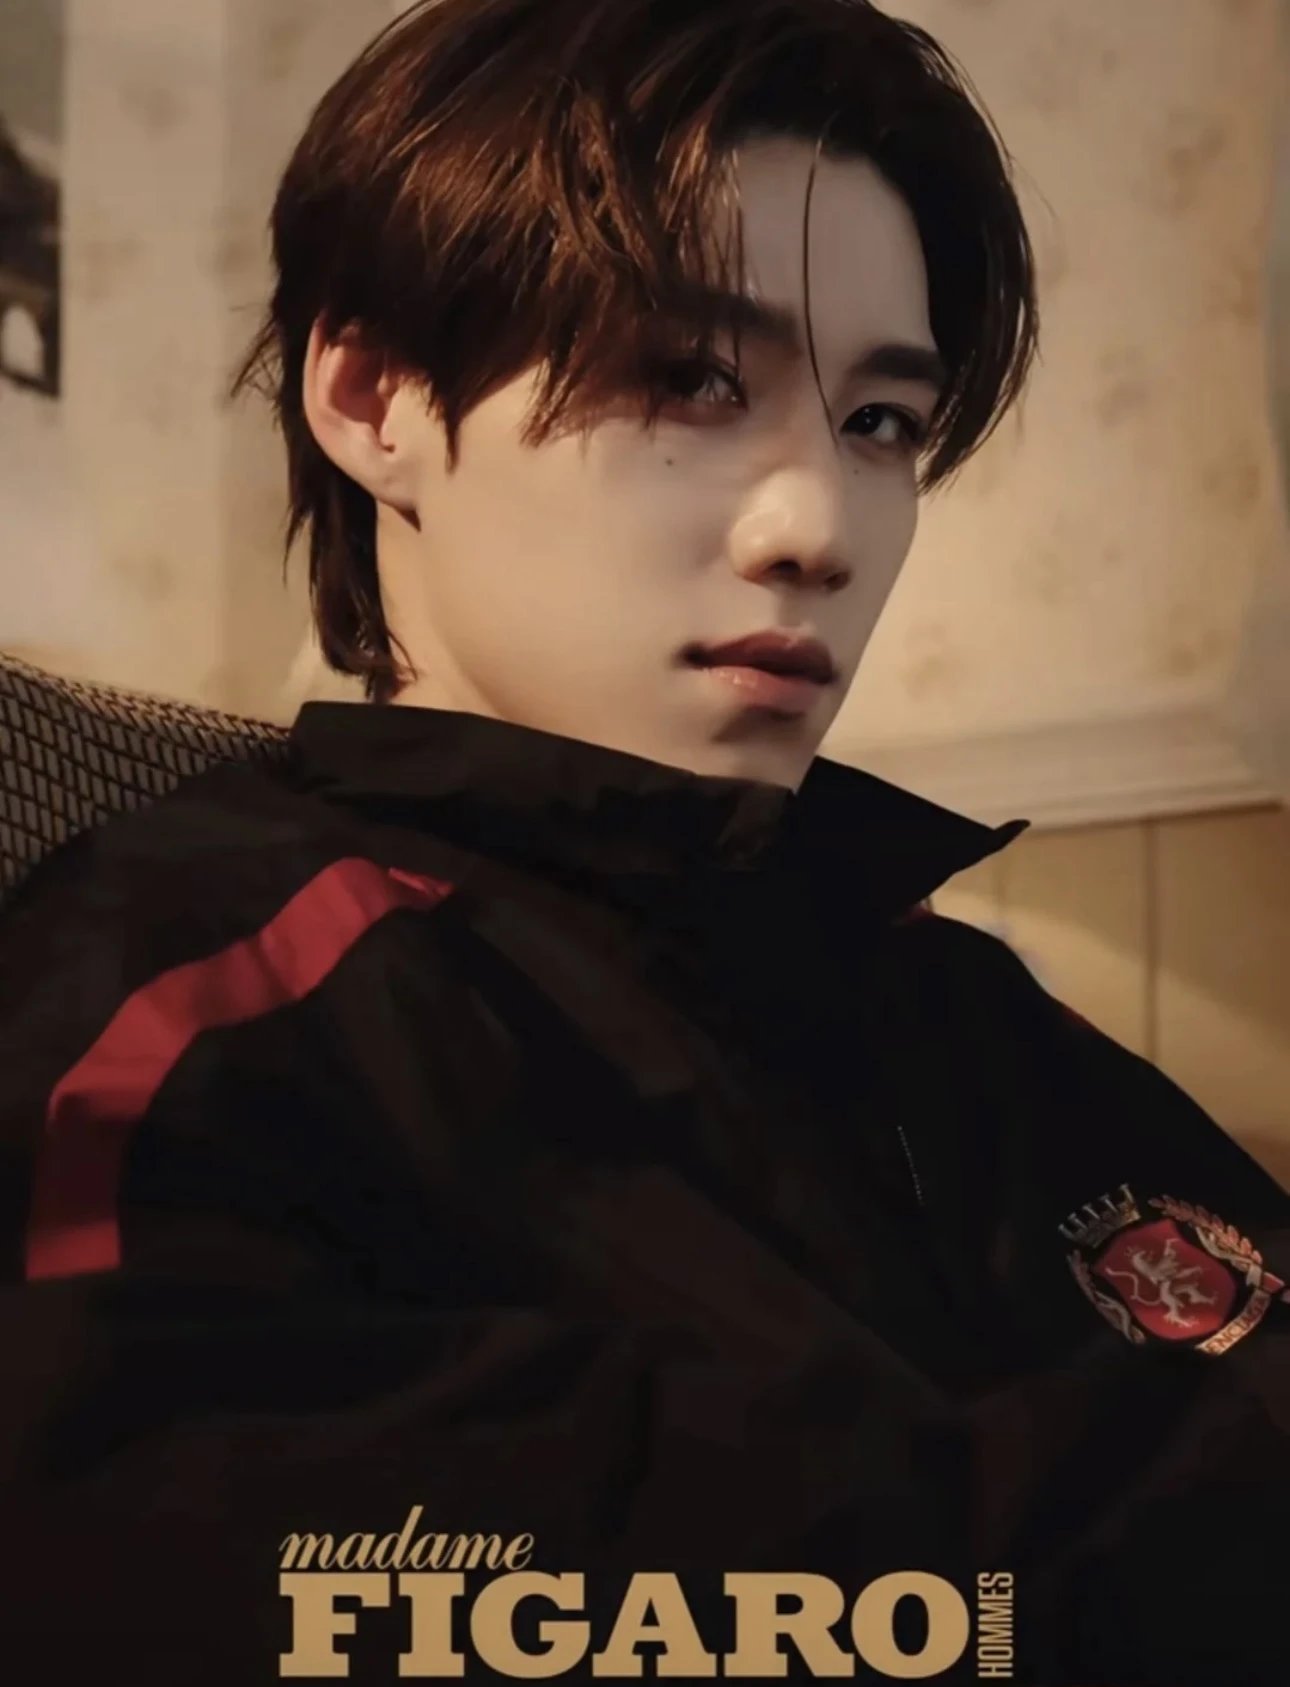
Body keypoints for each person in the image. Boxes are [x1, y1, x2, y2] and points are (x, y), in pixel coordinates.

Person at [1, 1, 1286, 1681]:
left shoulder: (948, 997)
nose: (818, 529)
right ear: (374, 393)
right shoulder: (192, 1001)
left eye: (880, 424)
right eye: (687, 378)